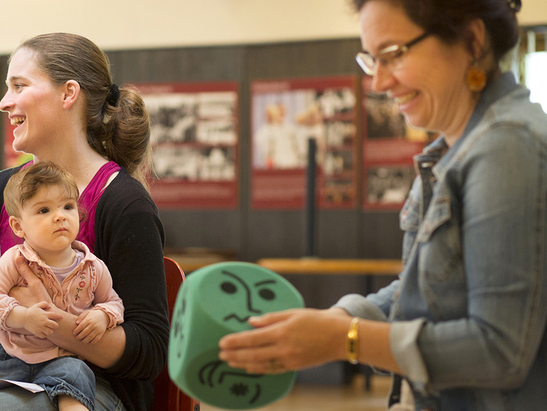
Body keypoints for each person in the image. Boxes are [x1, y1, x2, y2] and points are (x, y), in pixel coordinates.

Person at [218, 0, 547, 409]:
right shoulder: (454, 148)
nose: (378, 81)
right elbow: (425, 289)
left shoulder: (507, 147)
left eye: (393, 55)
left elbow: (498, 350)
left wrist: (345, 339)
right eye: (372, 60)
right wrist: (340, 319)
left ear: (472, 40)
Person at [0, 161, 124, 411]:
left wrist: (103, 316)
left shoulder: (92, 267)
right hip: (5, 354)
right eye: (44, 210)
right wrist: (23, 317)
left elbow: (113, 302)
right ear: (18, 226)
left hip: (62, 357)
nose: (60, 216)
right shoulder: (15, 261)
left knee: (76, 374)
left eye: (68, 206)